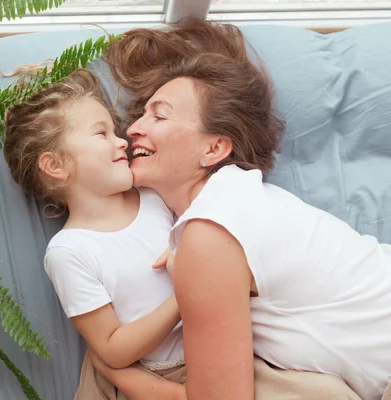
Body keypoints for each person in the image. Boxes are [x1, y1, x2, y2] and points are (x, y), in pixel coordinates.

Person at [97, 18, 391, 400]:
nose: (134, 127)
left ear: (214, 149)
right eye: (141, 114)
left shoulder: (213, 230)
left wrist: (116, 369)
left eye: (160, 115)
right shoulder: (237, 204)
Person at [3, 69, 188, 399]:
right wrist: (185, 295)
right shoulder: (70, 251)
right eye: (101, 134)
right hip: (148, 371)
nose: (122, 141)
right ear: (56, 166)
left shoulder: (155, 194)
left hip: (210, 348)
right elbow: (112, 350)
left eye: (114, 130)